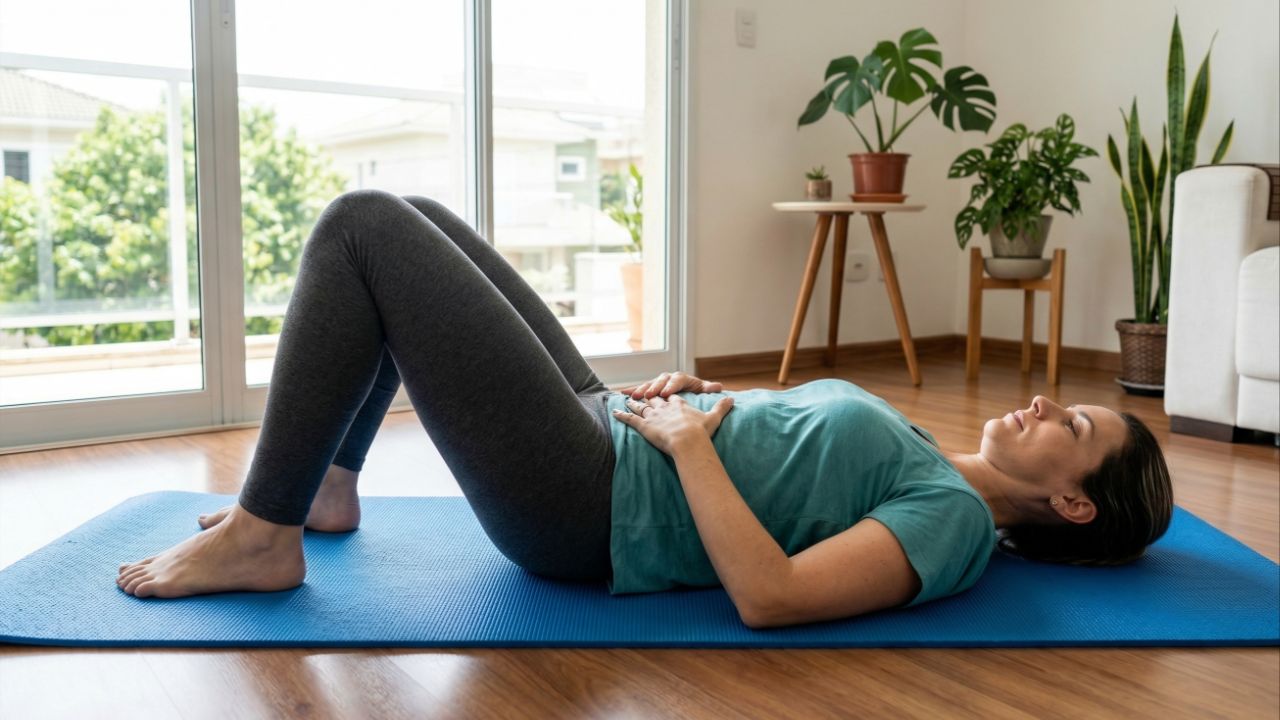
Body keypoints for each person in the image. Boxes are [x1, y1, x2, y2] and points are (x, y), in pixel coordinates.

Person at [115, 190, 1174, 630]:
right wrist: (699, 400)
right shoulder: (921, 454)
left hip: (587, 505)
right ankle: (328, 486)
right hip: (610, 427)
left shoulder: (949, 524)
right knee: (421, 220)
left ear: (1073, 507)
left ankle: (267, 533)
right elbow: (788, 459)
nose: (1043, 404)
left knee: (362, 228)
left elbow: (769, 594)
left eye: (1070, 427)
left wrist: (685, 447)